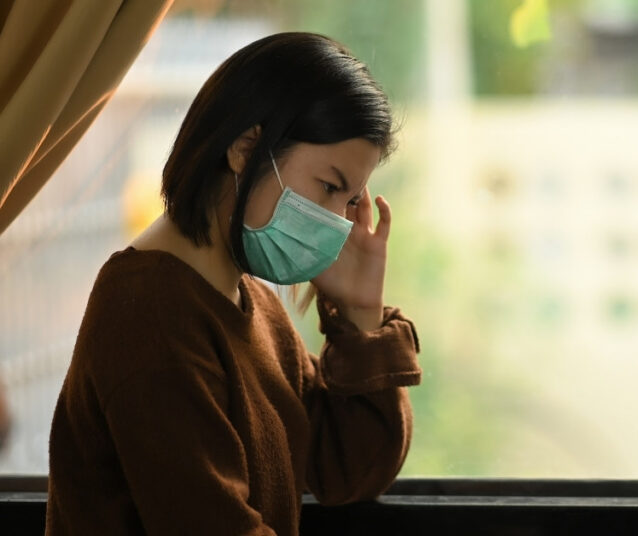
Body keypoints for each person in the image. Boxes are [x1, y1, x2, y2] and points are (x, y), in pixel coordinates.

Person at [45, 32, 422, 535]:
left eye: (351, 200)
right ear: (246, 148)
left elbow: (347, 472)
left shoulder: (250, 301)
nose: (339, 221)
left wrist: (359, 314)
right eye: (330, 187)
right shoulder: (149, 310)